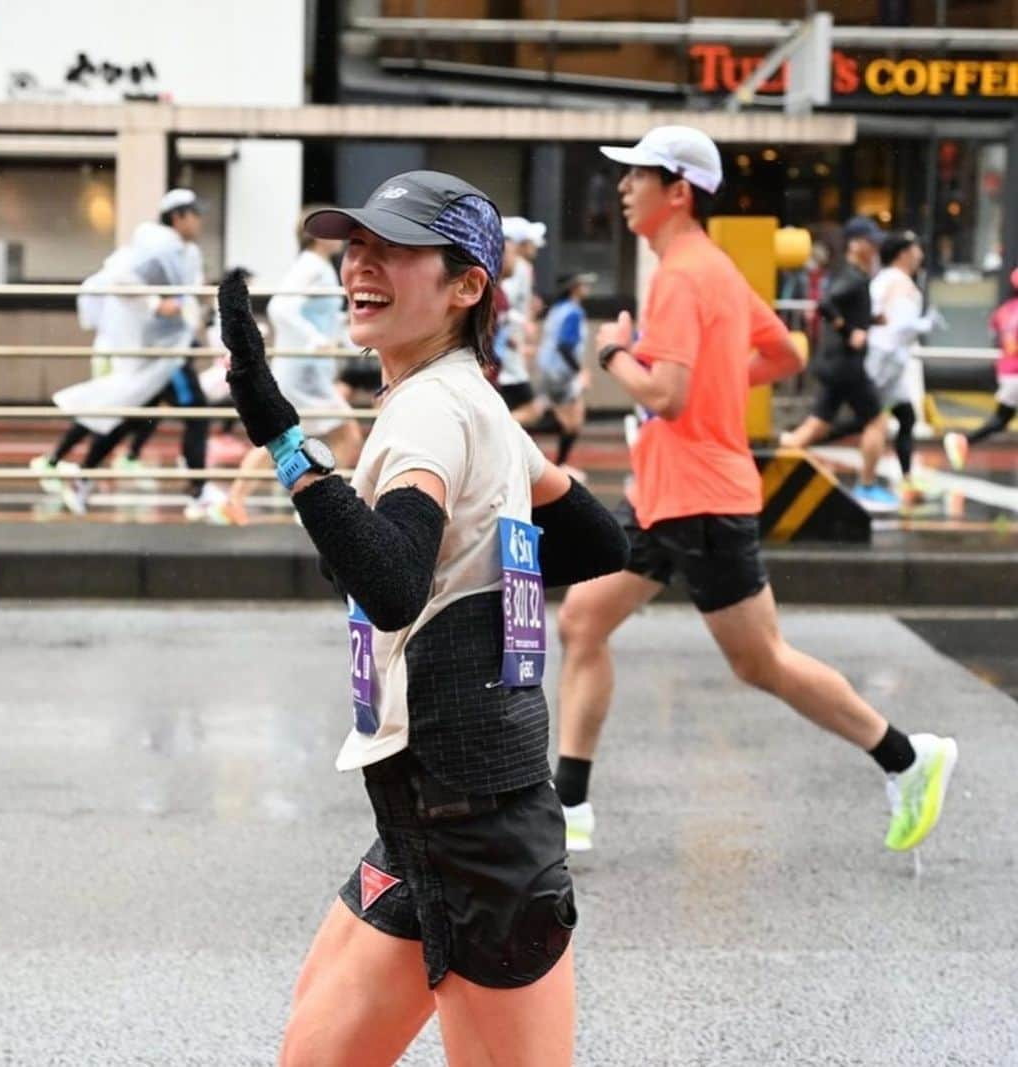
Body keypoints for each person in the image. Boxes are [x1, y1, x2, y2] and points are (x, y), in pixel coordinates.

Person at [218, 170, 628, 1065]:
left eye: (394, 248)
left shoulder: (432, 413)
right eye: (355, 243)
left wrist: (284, 439)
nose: (360, 262)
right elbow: (598, 540)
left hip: (476, 832)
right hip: (435, 813)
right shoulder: (470, 398)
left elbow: (393, 582)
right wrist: (475, 576)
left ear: (467, 285)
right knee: (314, 1049)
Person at [550, 125, 957, 859]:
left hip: (699, 496)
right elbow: (785, 351)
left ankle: (906, 756)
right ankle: (569, 806)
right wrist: (714, 383)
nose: (622, 186)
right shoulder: (716, 268)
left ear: (677, 192)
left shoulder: (681, 272)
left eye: (637, 174)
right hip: (666, 492)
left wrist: (614, 351)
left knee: (760, 659)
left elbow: (666, 395)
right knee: (582, 621)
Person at [35, 189, 220, 519]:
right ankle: (198, 490)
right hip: (162, 354)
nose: (200, 220)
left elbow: (185, 297)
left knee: (131, 415)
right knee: (196, 414)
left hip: (165, 350)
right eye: (194, 213)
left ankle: (82, 477)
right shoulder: (160, 247)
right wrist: (156, 304)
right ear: (178, 216)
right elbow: (121, 280)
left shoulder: (180, 250)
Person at [211, 210, 362, 526]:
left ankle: (260, 500)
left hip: (308, 372)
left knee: (283, 439)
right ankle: (318, 504)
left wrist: (343, 340)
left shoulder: (315, 267)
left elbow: (322, 318)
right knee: (337, 434)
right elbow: (282, 307)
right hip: (301, 373)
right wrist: (315, 339)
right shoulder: (312, 267)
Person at [780, 216, 900, 512]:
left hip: (838, 364)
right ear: (856, 245)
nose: (875, 248)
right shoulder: (852, 276)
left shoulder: (855, 275)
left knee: (814, 427)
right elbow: (825, 304)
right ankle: (867, 486)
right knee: (877, 422)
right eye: (870, 242)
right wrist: (850, 332)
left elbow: (841, 307)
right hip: (846, 365)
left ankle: (772, 471)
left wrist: (870, 321)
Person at [822, 231, 945, 504]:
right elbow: (897, 325)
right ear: (903, 253)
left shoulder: (885, 279)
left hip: (888, 358)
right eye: (916, 249)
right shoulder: (897, 282)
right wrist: (927, 324)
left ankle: (905, 477)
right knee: (871, 418)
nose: (920, 255)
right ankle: (825, 446)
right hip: (883, 358)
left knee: (903, 417)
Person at [943, 267, 1018, 469]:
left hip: (1006, 371)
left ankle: (965, 441)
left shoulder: (1002, 312)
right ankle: (963, 441)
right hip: (1016, 372)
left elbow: (995, 337)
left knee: (1002, 418)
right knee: (1001, 418)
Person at [535, 271, 596, 470]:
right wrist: (579, 371)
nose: (587, 288)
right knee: (572, 421)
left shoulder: (556, 310)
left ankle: (559, 463)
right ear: (573, 288)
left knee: (570, 419)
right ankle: (558, 464)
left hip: (550, 370)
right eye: (582, 284)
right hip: (561, 373)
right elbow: (565, 346)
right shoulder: (573, 312)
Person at [497, 216, 546, 425]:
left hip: (509, 351)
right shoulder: (518, 268)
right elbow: (504, 306)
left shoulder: (522, 268)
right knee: (530, 409)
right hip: (506, 355)